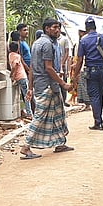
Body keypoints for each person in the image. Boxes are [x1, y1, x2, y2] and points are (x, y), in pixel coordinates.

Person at [19, 18, 75, 159]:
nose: (57, 30)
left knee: (58, 114)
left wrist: (30, 87)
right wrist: (63, 83)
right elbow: (48, 68)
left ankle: (60, 143)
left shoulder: (37, 43)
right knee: (40, 116)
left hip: (43, 85)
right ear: (46, 29)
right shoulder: (47, 45)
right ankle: (26, 147)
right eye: (54, 27)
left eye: (58, 27)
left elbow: (32, 67)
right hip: (47, 86)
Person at [72, 17, 103, 130]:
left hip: (91, 71)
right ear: (95, 26)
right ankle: (99, 119)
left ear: (86, 28)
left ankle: (98, 122)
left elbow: (79, 60)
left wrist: (75, 75)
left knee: (94, 96)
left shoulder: (83, 40)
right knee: (101, 94)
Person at [8, 40, 31, 120]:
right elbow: (15, 66)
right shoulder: (17, 56)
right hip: (22, 77)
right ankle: (29, 113)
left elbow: (13, 66)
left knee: (23, 96)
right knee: (26, 96)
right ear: (18, 49)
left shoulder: (10, 55)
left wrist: (12, 76)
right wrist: (12, 75)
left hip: (18, 78)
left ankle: (25, 112)